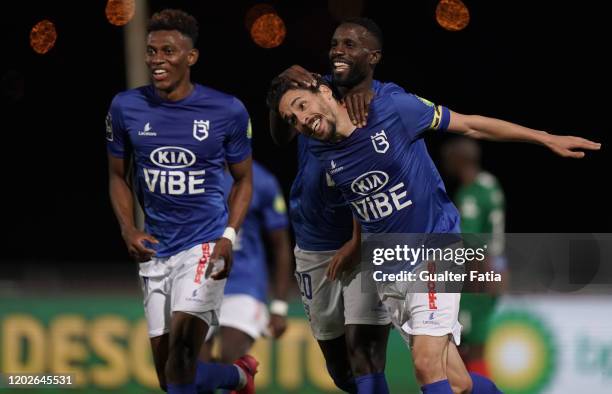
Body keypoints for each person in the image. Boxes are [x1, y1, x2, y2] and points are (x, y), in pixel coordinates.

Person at [267, 74, 600, 393]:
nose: (301, 119)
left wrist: (544, 137)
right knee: (457, 383)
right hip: (388, 265)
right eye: (291, 118)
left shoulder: (391, 110)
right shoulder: (323, 151)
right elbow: (360, 197)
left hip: (433, 251)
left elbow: (471, 124)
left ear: (324, 92)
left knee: (426, 366)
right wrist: (356, 241)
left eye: (301, 105)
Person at [106, 9, 257, 394]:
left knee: (184, 360)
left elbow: (243, 181)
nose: (157, 60)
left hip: (203, 245)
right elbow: (116, 177)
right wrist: (128, 229)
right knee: (170, 377)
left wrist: (228, 236)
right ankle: (238, 376)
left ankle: (234, 376)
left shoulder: (226, 110)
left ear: (191, 57)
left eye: (168, 51)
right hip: (156, 250)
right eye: (152, 51)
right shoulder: (125, 108)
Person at [270, 19, 396, 394]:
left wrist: (359, 243)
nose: (339, 51)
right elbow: (279, 135)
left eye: (349, 45)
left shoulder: (383, 100)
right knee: (341, 371)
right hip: (313, 246)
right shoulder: (313, 91)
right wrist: (282, 92)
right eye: (334, 43)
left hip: (366, 243)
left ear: (371, 57)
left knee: (365, 351)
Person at [200, 161, 292, 366]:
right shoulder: (192, 173)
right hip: (199, 280)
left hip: (244, 284)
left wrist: (279, 306)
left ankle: (241, 379)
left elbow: (280, 245)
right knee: (196, 373)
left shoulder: (262, 180)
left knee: (230, 360)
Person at [442, 138, 508, 377]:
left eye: (449, 157)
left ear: (461, 159)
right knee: (473, 345)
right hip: (495, 268)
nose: (446, 162)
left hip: (476, 274)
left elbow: (469, 242)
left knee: (462, 344)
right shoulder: (491, 184)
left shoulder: (470, 195)